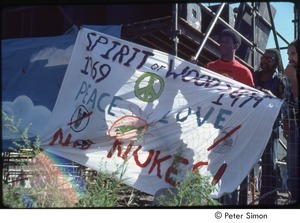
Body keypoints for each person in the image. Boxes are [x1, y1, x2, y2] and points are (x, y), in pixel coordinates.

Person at [205, 28, 254, 205]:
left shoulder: (244, 72)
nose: (222, 43)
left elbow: (251, 101)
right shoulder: (210, 68)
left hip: (234, 127)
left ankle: (230, 205)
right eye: (221, 40)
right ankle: (211, 202)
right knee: (211, 163)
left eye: (226, 41)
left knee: (230, 165)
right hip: (211, 125)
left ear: (236, 46)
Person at [252, 48, 285, 205]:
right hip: (251, 125)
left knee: (268, 164)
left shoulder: (279, 82)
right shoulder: (253, 77)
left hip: (270, 128)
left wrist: (272, 98)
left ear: (276, 62)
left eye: (269, 59)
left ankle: (268, 202)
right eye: (263, 57)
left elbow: (286, 105)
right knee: (246, 159)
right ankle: (243, 197)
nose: (265, 60)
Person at [282, 39, 299, 204]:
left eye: (293, 53)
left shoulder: (292, 74)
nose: (290, 57)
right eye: (288, 54)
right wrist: (286, 121)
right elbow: (287, 100)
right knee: (292, 166)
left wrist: (294, 79)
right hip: (294, 126)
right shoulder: (290, 72)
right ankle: (293, 199)